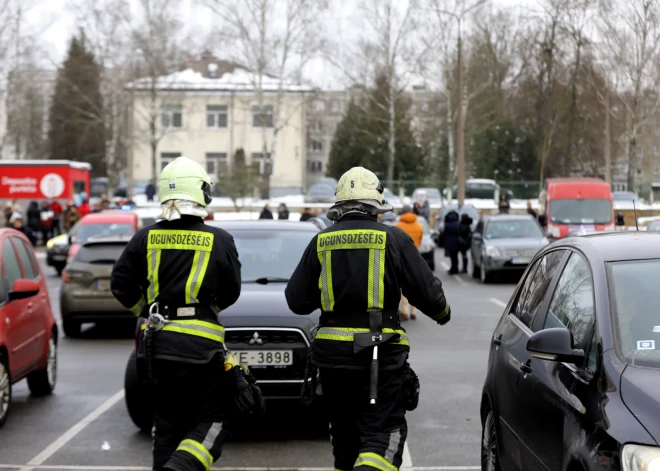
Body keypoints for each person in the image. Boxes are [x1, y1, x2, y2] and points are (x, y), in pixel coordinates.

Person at [285, 166, 451, 471]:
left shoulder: (321, 241)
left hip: (331, 358)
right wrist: (442, 313)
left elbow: (296, 301)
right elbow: (428, 294)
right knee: (383, 436)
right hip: (379, 355)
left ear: (339, 207)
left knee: (345, 441)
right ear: (376, 206)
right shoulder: (393, 238)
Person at [110, 156, 248, 471]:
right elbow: (232, 291)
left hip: (157, 348)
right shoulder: (220, 239)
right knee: (215, 419)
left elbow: (120, 284)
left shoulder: (146, 236)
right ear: (201, 193)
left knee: (167, 427)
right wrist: (203, 313)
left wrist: (147, 312)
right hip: (202, 350)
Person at [395, 205, 424, 320]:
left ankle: (404, 311)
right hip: (415, 258)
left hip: (401, 259)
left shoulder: (398, 226)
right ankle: (414, 312)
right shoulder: (419, 225)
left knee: (402, 286)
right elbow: (420, 239)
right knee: (414, 285)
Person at [444, 210, 461, 274]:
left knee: (452, 256)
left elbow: (444, 234)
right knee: (455, 256)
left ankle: (453, 268)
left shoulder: (447, 225)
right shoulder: (458, 224)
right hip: (456, 242)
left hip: (449, 242)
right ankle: (455, 268)